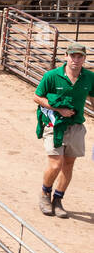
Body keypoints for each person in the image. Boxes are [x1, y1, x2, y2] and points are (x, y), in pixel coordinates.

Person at [34, 43, 93, 217]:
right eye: (73, 55)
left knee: (69, 164)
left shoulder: (90, 77)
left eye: (79, 56)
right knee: (56, 163)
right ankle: (45, 194)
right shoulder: (52, 76)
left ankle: (58, 199)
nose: (76, 59)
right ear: (66, 56)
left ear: (84, 58)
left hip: (76, 126)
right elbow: (37, 97)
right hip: (54, 124)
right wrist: (58, 110)